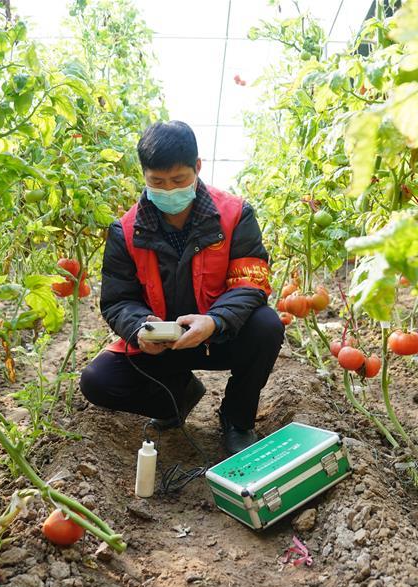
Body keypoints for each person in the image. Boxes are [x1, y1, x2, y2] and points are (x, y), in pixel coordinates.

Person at [79, 121, 284, 455]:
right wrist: (140, 329)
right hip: (162, 345)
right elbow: (118, 300)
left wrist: (215, 321)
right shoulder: (126, 230)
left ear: (197, 168)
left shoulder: (234, 214)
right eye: (157, 182)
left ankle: (237, 419)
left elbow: (251, 281)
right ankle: (175, 399)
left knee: (266, 326)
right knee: (97, 381)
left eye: (178, 180)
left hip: (220, 337)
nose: (169, 190)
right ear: (143, 175)